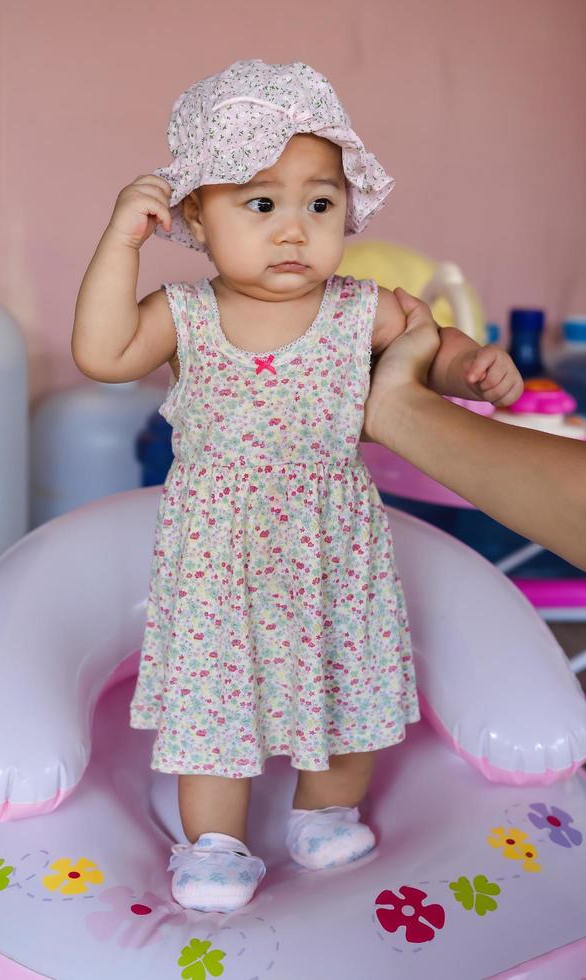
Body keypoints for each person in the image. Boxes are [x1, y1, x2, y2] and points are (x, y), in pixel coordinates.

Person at [71, 59, 524, 914]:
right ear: (197, 217)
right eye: (260, 203)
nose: (294, 231)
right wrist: (119, 241)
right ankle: (215, 840)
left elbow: (434, 344)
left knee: (347, 677)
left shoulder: (362, 307)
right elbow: (99, 353)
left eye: (320, 205)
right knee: (216, 701)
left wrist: (474, 366)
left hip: (332, 539)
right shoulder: (185, 313)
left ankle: (326, 808)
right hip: (221, 552)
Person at [363, 287, 586, 573]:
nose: (296, 239)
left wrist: (466, 364)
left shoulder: (351, 304)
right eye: (282, 239)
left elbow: (426, 341)